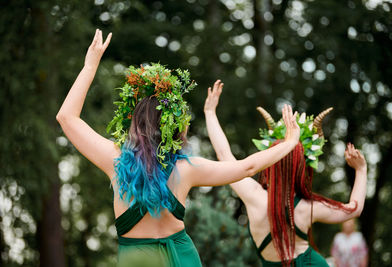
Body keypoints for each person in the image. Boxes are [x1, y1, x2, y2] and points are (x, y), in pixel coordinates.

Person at [56, 30, 301, 267]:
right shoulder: (187, 169)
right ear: (175, 130)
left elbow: (67, 118)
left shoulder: (114, 159)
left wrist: (90, 66)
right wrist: (289, 143)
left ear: (135, 123)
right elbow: (248, 166)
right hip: (183, 258)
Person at [204, 80, 368, 267]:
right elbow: (354, 208)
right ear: (302, 169)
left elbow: (224, 155)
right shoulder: (307, 207)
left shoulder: (253, 196)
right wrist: (361, 170)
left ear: (269, 163)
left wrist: (210, 113)